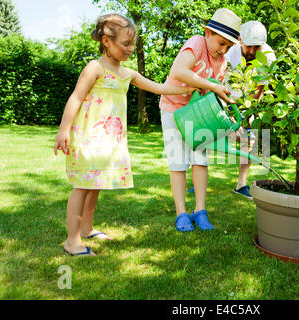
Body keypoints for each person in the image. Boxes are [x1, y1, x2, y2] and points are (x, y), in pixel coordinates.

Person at [54, 13, 197, 256]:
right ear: (106, 41)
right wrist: (63, 130)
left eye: (133, 44)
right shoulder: (94, 68)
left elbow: (160, 88)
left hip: (108, 142)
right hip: (88, 139)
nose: (130, 49)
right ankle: (72, 240)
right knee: (81, 187)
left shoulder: (126, 74)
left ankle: (87, 228)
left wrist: (193, 86)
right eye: (125, 44)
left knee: (94, 185)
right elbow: (76, 97)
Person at [159, 8, 241, 232]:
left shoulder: (222, 62)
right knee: (178, 162)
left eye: (228, 47)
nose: (223, 50)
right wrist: (212, 85)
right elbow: (179, 71)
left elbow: (211, 97)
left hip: (196, 116)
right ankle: (181, 213)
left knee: (200, 160)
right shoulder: (196, 43)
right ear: (208, 33)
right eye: (221, 43)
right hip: (173, 108)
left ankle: (200, 211)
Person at [224, 21, 276, 199]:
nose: (253, 51)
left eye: (257, 47)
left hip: (248, 101)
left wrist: (248, 115)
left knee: (249, 138)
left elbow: (259, 88)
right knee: (209, 136)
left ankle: (241, 185)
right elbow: (220, 83)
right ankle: (198, 177)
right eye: (249, 47)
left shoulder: (268, 56)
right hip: (225, 97)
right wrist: (231, 116)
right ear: (240, 40)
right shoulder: (229, 52)